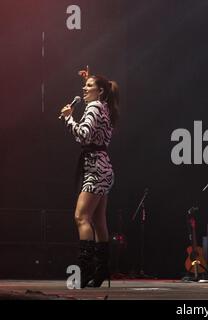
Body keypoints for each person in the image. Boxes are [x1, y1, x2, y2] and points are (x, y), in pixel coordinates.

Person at [60, 68, 119, 288]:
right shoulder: (105, 108)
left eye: (89, 86)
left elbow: (83, 134)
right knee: (98, 221)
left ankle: (84, 272)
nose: (84, 89)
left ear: (100, 91)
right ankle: (101, 269)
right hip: (104, 167)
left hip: (95, 168)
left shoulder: (94, 106)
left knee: (81, 217)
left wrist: (68, 119)